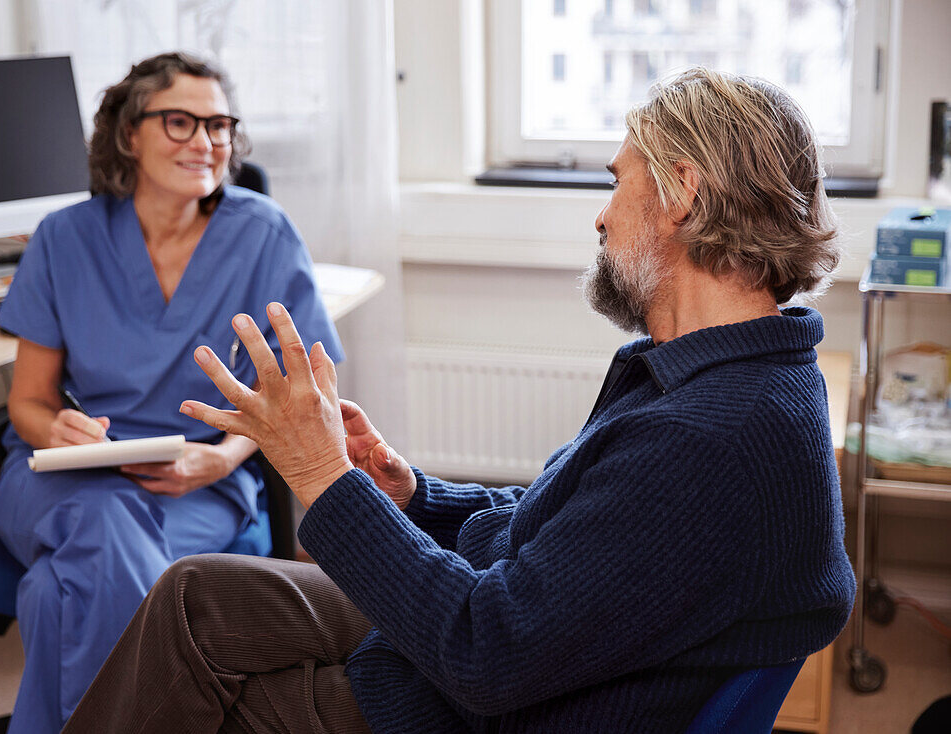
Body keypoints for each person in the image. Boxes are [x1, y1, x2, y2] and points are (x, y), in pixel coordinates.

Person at [63, 68, 856, 733]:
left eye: (618, 182)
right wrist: (413, 494)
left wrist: (320, 477)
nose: (603, 214)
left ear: (682, 190)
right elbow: (571, 539)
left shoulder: (708, 440)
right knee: (195, 593)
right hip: (502, 642)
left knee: (199, 701)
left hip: (458, 701)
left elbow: (484, 653)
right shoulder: (708, 377)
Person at [0, 51, 343, 733]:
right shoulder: (63, 239)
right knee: (100, 517)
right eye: (179, 121)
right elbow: (27, 402)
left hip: (194, 484)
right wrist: (55, 430)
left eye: (219, 125)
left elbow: (301, 394)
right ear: (129, 134)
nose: (205, 142)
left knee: (51, 595)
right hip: (57, 480)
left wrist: (221, 458)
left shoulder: (262, 234)